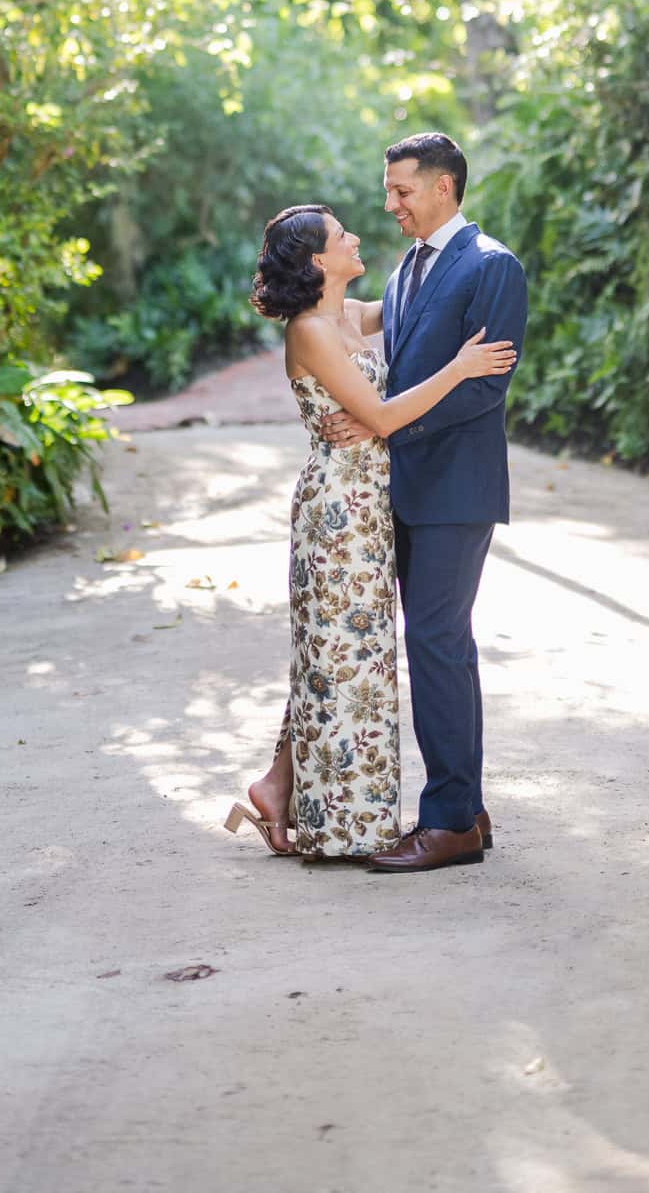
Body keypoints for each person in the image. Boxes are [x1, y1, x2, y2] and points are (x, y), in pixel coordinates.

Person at [225, 177, 518, 866]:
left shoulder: (354, 314)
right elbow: (384, 416)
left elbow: (421, 302)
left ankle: (277, 783)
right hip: (338, 512)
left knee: (345, 650)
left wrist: (453, 254)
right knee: (339, 652)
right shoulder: (311, 329)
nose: (358, 234)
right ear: (320, 261)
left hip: (371, 502)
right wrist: (462, 367)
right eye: (341, 234)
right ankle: (337, 817)